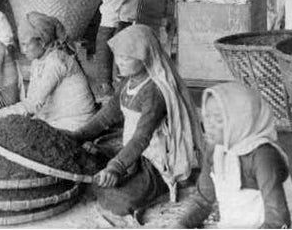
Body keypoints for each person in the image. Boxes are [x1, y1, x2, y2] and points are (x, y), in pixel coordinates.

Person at [72, 24, 202, 220]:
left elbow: (142, 137)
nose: (119, 62)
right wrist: (79, 135)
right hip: (132, 151)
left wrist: (116, 166)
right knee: (93, 168)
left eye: (126, 57)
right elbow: (107, 116)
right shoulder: (127, 83)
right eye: (118, 56)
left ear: (144, 58)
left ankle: (159, 186)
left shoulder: (154, 92)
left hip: (153, 158)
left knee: (117, 200)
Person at [177, 82, 292, 228]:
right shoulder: (216, 150)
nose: (209, 125)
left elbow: (277, 221)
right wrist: (181, 225)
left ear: (241, 120)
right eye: (206, 116)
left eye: (219, 119)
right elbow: (204, 200)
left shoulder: (263, 156)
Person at [0, 12, 96, 132]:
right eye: (21, 44)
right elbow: (33, 101)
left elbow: (32, 105)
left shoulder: (55, 62)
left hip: (75, 125)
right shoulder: (38, 61)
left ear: (42, 42)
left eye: (26, 44)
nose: (23, 50)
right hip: (55, 119)